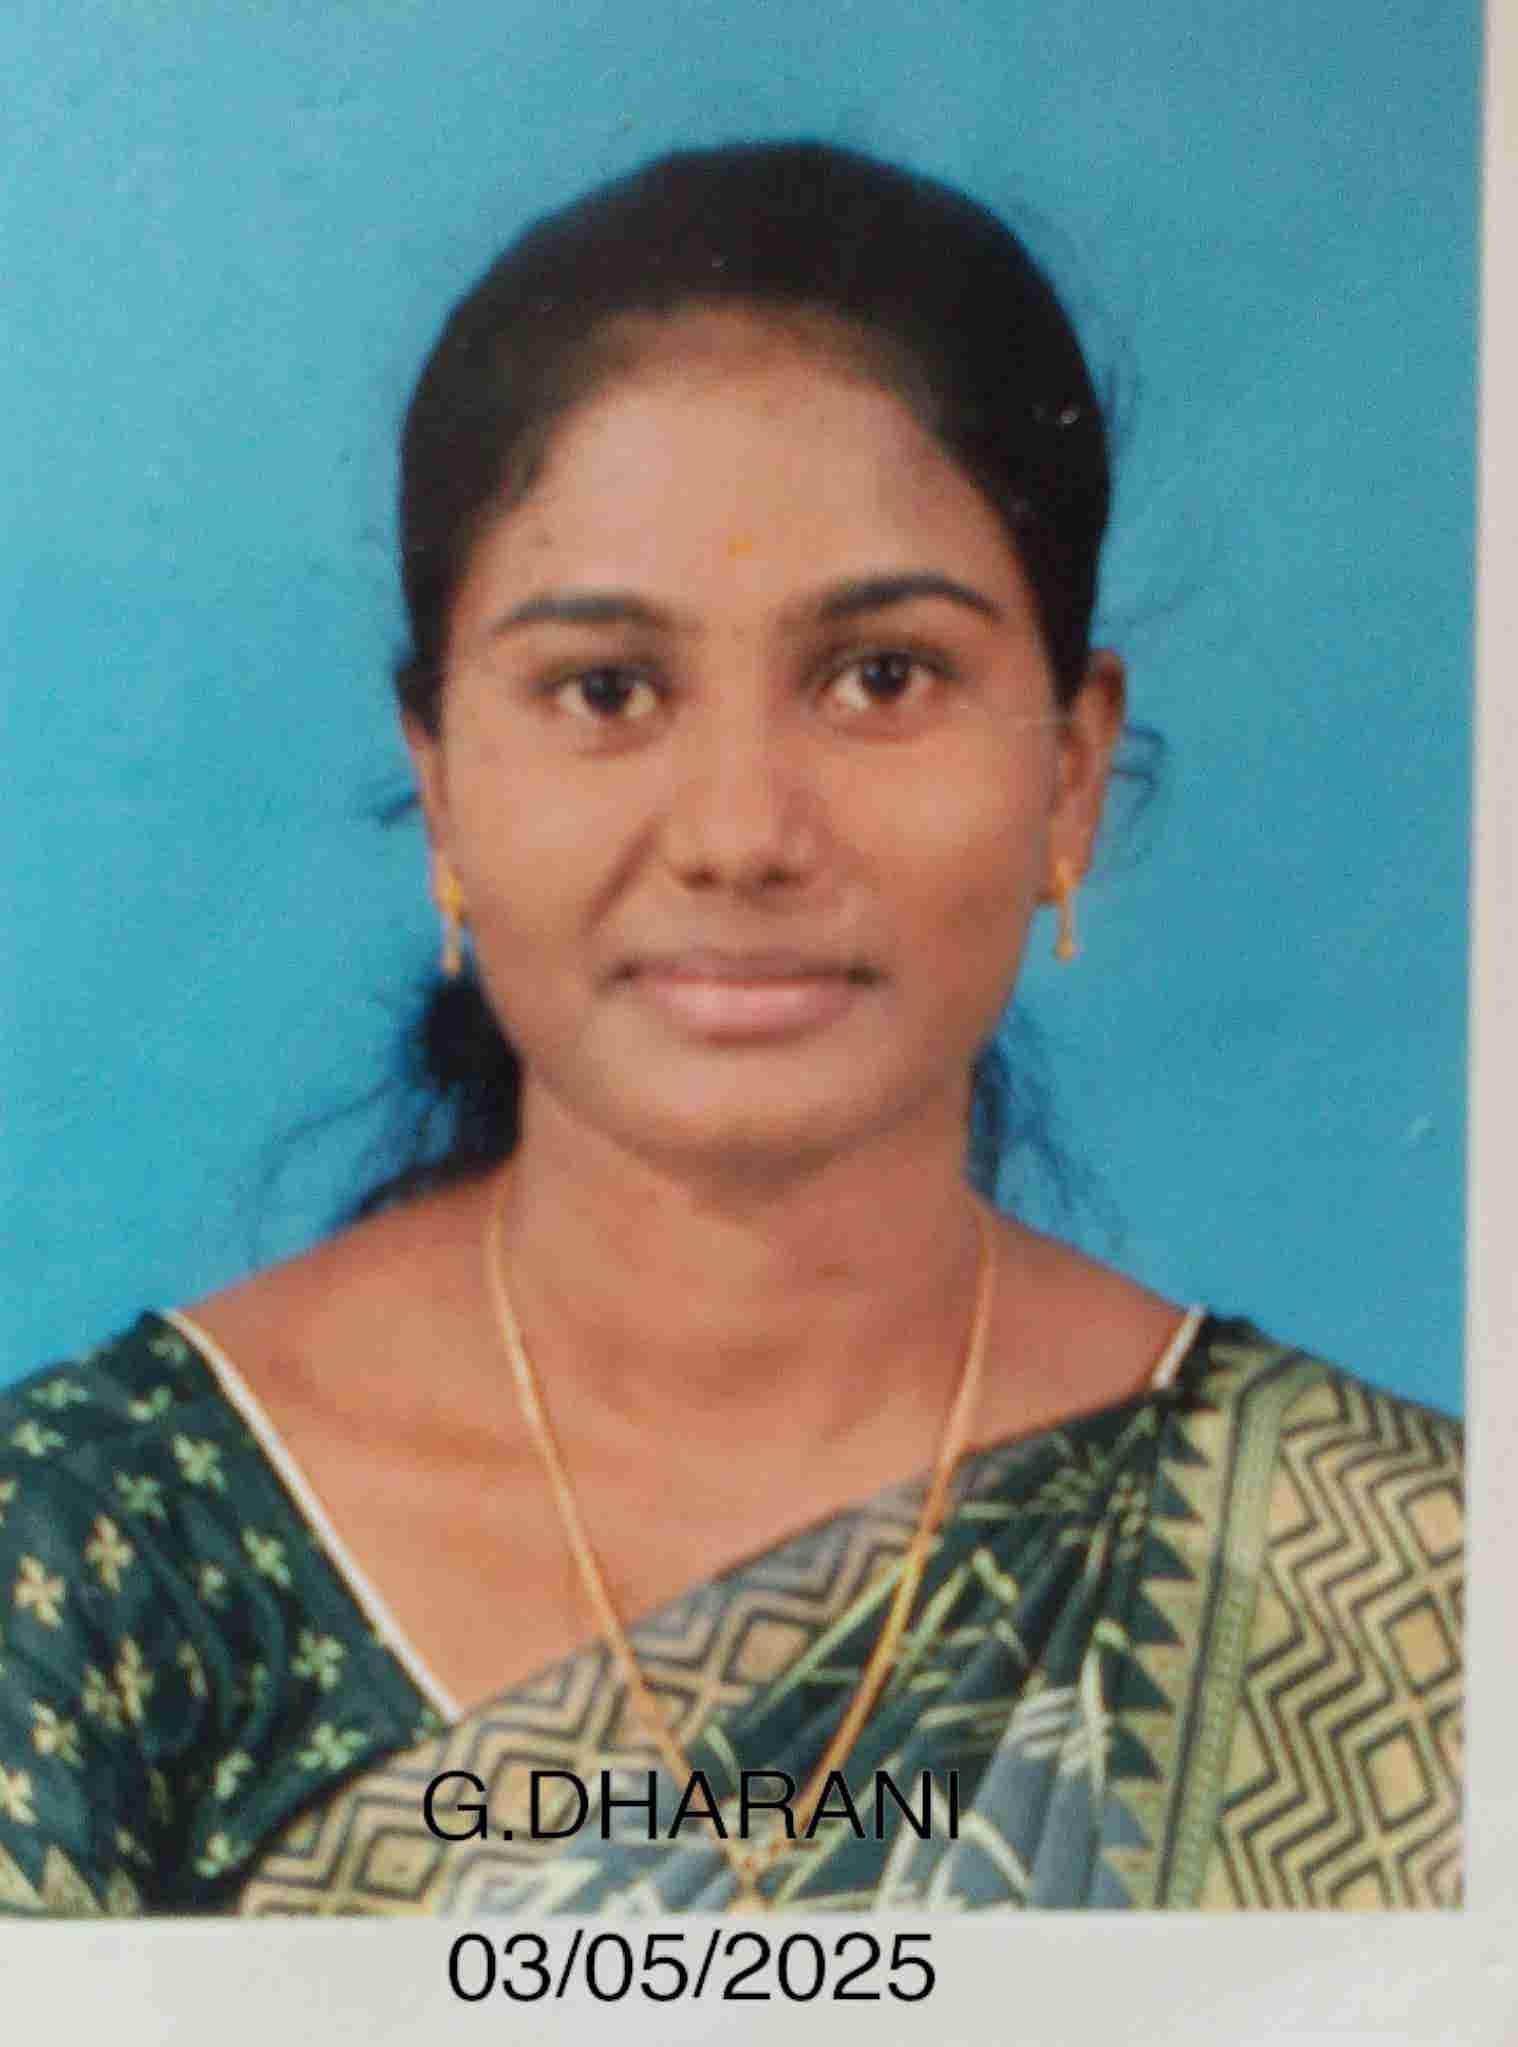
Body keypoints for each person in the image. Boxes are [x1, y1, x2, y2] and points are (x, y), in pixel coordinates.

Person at [0, 142, 1461, 1917]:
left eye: (880, 677)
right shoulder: (92, 1560)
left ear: (1069, 774)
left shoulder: (1408, 1592)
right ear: (442, 789)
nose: (741, 832)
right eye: (605, 689)